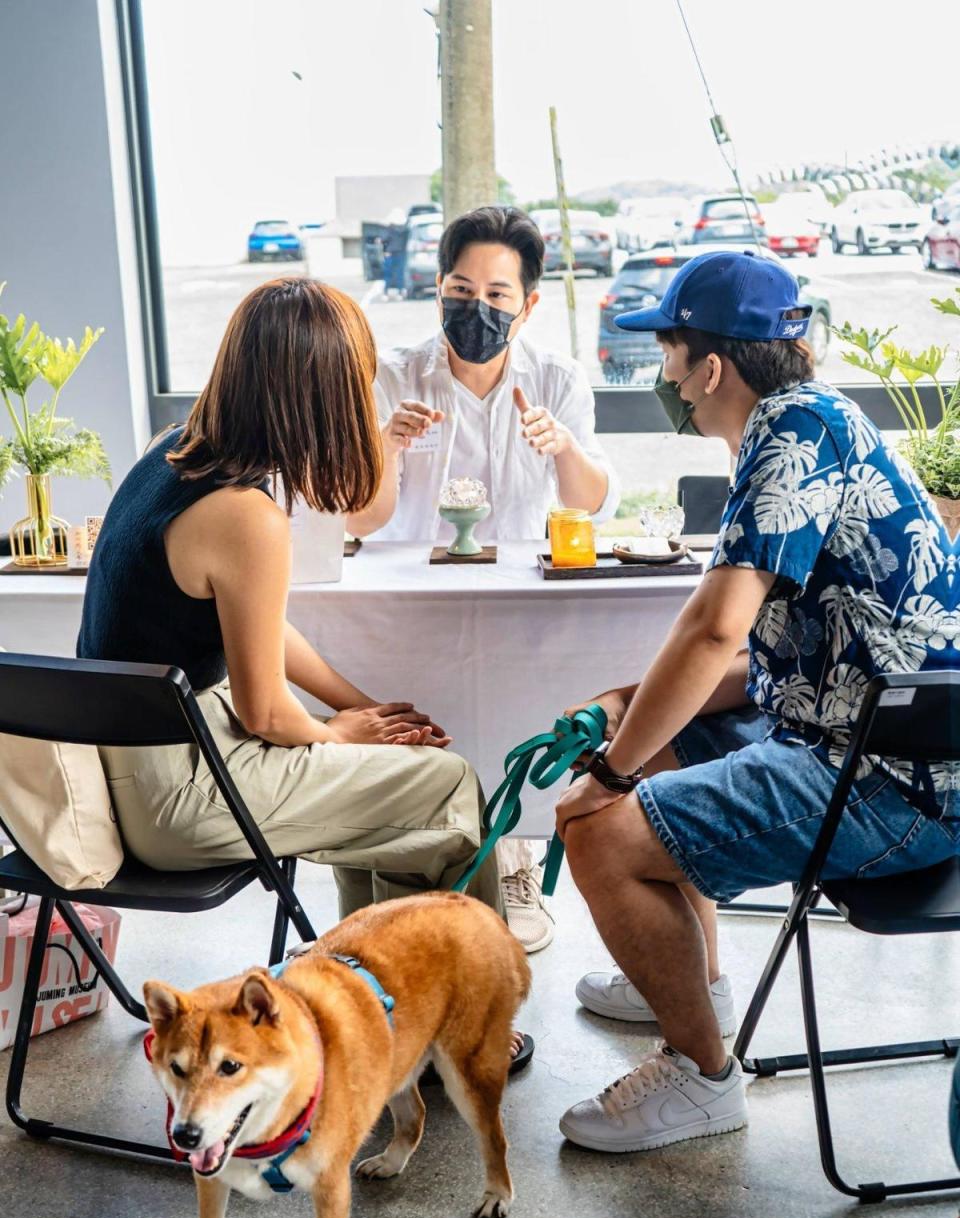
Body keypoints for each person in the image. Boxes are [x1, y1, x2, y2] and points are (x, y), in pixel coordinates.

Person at [552, 249, 959, 1154]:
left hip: (900, 779)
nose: (663, 379)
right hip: (866, 739)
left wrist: (605, 777)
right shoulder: (806, 421)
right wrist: (627, 708)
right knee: (651, 735)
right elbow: (789, 657)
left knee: (595, 831)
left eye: (667, 354)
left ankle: (702, 1077)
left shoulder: (791, 431)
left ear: (711, 365)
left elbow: (712, 629)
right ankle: (696, 980)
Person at [76, 276, 515, 989]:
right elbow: (267, 714)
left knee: (388, 798)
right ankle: (468, 1019)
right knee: (447, 784)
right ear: (322, 397)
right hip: (179, 798)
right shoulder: (248, 516)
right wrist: (343, 731)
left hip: (145, 763)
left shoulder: (173, 453)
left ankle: (378, 1007)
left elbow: (263, 630)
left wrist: (356, 704)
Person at [351, 205, 622, 952]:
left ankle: (515, 857)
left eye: (498, 295)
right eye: (461, 288)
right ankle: (426, 874)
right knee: (426, 734)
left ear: (527, 305)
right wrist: (388, 444)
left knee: (520, 727)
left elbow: (589, 500)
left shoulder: (557, 378)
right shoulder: (392, 374)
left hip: (517, 600)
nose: (478, 307)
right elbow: (360, 519)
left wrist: (561, 446)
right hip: (410, 600)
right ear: (438, 288)